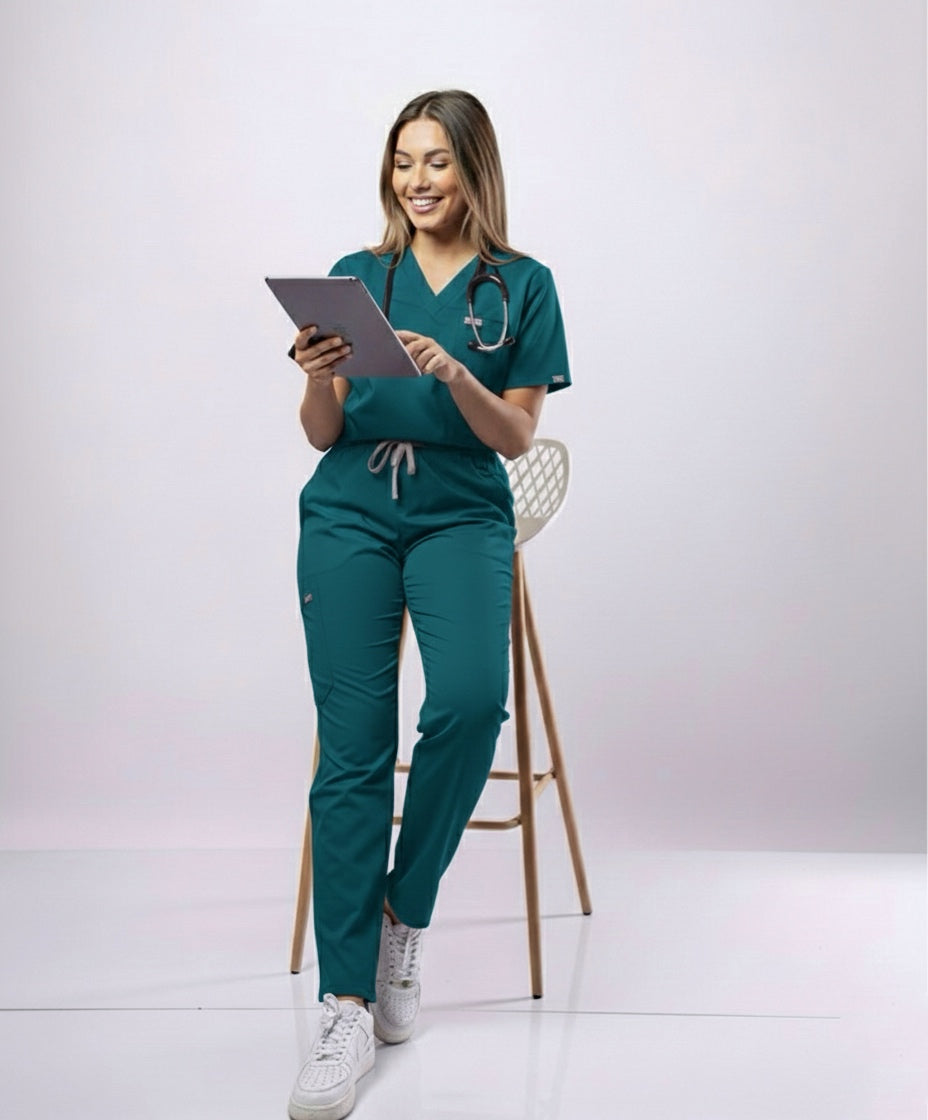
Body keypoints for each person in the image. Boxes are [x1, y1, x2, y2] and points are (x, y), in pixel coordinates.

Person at [286, 89, 571, 1120]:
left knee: (463, 704)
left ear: (473, 171)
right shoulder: (360, 278)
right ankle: (347, 1001)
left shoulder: (522, 286)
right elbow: (324, 431)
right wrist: (319, 376)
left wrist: (454, 372)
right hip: (350, 515)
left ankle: (403, 910)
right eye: (404, 160)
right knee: (355, 748)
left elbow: (515, 436)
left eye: (438, 162)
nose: (418, 179)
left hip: (458, 517)